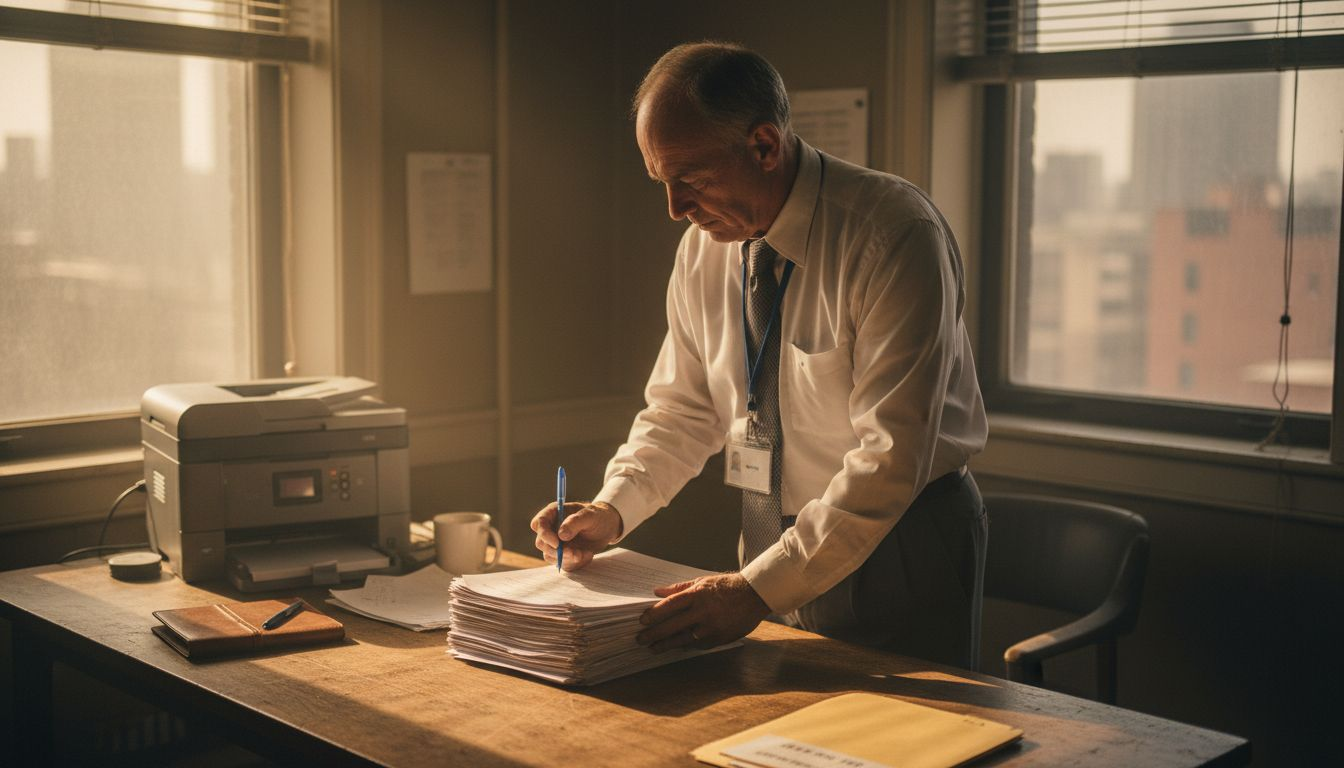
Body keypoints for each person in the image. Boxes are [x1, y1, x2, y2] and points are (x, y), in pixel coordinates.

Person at [530, 41, 988, 669]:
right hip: (770, 546)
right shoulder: (703, 246)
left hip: (899, 539)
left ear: (765, 146)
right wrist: (614, 506)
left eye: (690, 180)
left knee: (903, 747)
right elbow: (681, 410)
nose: (675, 209)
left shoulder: (894, 235)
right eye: (662, 183)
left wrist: (754, 589)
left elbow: (891, 456)